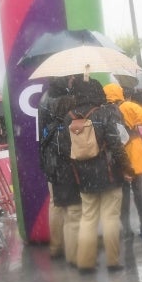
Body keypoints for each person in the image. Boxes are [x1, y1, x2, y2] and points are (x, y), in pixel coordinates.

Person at [66, 77, 133, 272]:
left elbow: (64, 147)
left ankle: (85, 262)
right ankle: (113, 261)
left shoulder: (68, 117)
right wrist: (127, 168)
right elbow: (116, 144)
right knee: (110, 217)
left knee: (88, 217)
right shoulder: (104, 113)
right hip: (109, 173)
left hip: (82, 175)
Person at [104, 83, 142, 237]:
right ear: (120, 93)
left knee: (122, 193)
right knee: (139, 191)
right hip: (134, 154)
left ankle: (127, 229)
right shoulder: (128, 106)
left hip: (116, 155)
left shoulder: (103, 111)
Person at [37, 78, 81, 260]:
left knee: (55, 203)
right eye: (70, 78)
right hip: (65, 158)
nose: (72, 80)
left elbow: (41, 130)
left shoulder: (44, 99)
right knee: (72, 206)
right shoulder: (67, 100)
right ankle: (74, 251)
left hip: (49, 156)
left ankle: (56, 246)